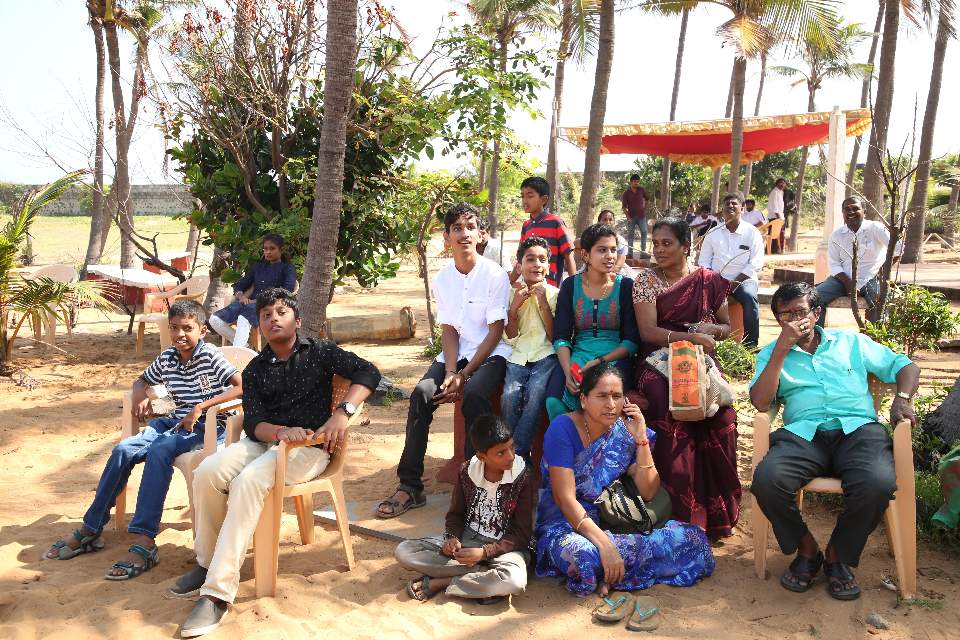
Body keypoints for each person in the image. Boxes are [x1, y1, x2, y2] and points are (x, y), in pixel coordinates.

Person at [173, 288, 380, 637]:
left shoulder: (320, 352)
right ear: (260, 324)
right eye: (266, 314)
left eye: (281, 312)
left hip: (309, 449)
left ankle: (217, 594)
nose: (273, 319)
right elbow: (254, 423)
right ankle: (207, 563)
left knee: (248, 481)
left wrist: (343, 413)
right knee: (206, 471)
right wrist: (281, 432)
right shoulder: (256, 368)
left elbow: (368, 372)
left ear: (297, 320)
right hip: (266, 442)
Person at [44, 300, 242, 581]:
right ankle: (91, 528)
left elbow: (242, 385)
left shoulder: (209, 355)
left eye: (187, 328)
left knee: (160, 449)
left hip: (205, 427)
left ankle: (145, 540)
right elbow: (142, 381)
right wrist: (140, 398)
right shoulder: (168, 357)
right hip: (171, 422)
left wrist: (202, 406)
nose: (180, 334)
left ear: (202, 330)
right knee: (123, 449)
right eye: (174, 328)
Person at [750, 282, 919, 601]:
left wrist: (902, 398)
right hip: (803, 434)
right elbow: (760, 402)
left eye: (800, 312)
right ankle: (807, 549)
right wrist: (782, 349)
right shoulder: (772, 353)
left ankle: (838, 555)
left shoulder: (851, 342)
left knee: (878, 483)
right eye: (785, 315)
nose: (794, 320)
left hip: (858, 431)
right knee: (768, 480)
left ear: (816, 313)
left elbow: (905, 366)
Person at [378, 203, 511, 518]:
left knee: (475, 395)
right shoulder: (443, 279)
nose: (464, 234)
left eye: (470, 227)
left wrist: (463, 376)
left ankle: (473, 487)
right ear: (446, 237)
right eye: (456, 228)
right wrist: (451, 371)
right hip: (455, 354)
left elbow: (495, 332)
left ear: (481, 234)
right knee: (422, 394)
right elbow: (449, 330)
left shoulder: (495, 275)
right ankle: (410, 486)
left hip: (491, 354)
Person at [535, 363, 715, 597]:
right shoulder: (562, 429)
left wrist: (640, 438)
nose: (611, 404)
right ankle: (612, 567)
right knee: (584, 555)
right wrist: (605, 545)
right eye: (602, 396)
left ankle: (611, 572)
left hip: (611, 524)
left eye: (617, 396)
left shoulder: (624, 432)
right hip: (564, 525)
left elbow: (648, 491)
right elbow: (564, 498)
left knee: (694, 539)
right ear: (583, 400)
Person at [632, 217, 741, 539]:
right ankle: (676, 512)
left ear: (686, 246)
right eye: (655, 243)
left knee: (721, 412)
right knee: (667, 400)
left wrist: (713, 329)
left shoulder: (708, 280)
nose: (659, 250)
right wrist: (690, 337)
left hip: (699, 359)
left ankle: (717, 513)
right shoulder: (646, 280)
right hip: (657, 360)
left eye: (667, 243)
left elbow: (727, 327)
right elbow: (648, 332)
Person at [395, 415, 534, 604]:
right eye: (501, 453)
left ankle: (443, 582)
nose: (510, 456)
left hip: (505, 548)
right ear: (482, 456)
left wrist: (485, 552)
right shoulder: (467, 472)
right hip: (468, 542)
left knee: (514, 581)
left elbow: (522, 534)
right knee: (404, 551)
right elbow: (455, 515)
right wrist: (453, 538)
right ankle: (482, 575)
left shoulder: (522, 476)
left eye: (512, 447)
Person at [545, 223, 640, 420]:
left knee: (601, 396)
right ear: (586, 255)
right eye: (602, 250)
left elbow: (631, 341)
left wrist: (598, 362)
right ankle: (571, 440)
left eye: (613, 249)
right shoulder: (571, 286)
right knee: (554, 401)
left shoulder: (625, 286)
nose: (610, 256)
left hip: (615, 358)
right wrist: (568, 371)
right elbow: (561, 337)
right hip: (578, 356)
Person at [502, 237, 560, 460]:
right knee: (509, 396)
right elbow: (510, 336)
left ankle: (517, 454)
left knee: (536, 394)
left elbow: (554, 337)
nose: (537, 264)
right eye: (530, 259)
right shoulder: (511, 294)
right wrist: (513, 309)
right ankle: (515, 452)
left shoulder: (555, 294)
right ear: (519, 265)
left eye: (542, 260)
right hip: (518, 355)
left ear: (548, 266)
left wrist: (543, 303)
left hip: (546, 354)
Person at [815, 196, 900, 326]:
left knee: (879, 301)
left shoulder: (876, 228)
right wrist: (849, 284)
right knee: (814, 297)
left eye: (855, 208)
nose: (851, 212)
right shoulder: (836, 235)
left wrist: (882, 273)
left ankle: (873, 337)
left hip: (872, 279)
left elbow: (898, 249)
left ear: (864, 212)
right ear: (843, 213)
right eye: (847, 209)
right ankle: (817, 337)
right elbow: (834, 264)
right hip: (842, 280)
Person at [697, 192, 764, 347]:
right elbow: (704, 261)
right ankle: (705, 341)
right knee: (698, 297)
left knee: (749, 297)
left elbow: (756, 263)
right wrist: (714, 280)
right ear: (722, 209)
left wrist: (733, 283)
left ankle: (751, 345)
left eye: (734, 203)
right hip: (716, 280)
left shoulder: (752, 232)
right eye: (727, 204)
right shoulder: (713, 233)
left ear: (742, 209)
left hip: (744, 281)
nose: (730, 206)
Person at [209, 233, 297, 348]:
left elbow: (287, 290)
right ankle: (244, 347)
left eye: (272, 249)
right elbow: (241, 284)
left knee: (243, 318)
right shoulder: (258, 267)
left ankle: (237, 353)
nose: (268, 252)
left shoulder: (288, 268)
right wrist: (241, 296)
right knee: (214, 319)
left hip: (270, 305)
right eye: (265, 249)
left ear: (281, 250)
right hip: (247, 303)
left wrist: (257, 301)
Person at [517, 176, 576, 288]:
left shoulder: (555, 222)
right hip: (529, 289)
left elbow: (568, 256)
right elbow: (520, 259)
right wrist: (508, 282)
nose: (524, 200)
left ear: (543, 200)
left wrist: (574, 287)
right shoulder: (526, 225)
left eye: (530, 196)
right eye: (522, 196)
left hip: (551, 289)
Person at [621, 173, 649, 255]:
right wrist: (628, 217)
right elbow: (624, 207)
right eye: (635, 181)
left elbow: (647, 199)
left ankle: (643, 253)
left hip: (641, 216)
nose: (636, 183)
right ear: (631, 182)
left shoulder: (641, 190)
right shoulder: (626, 193)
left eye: (638, 181)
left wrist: (645, 209)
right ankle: (630, 253)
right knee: (630, 235)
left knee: (644, 232)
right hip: (631, 217)